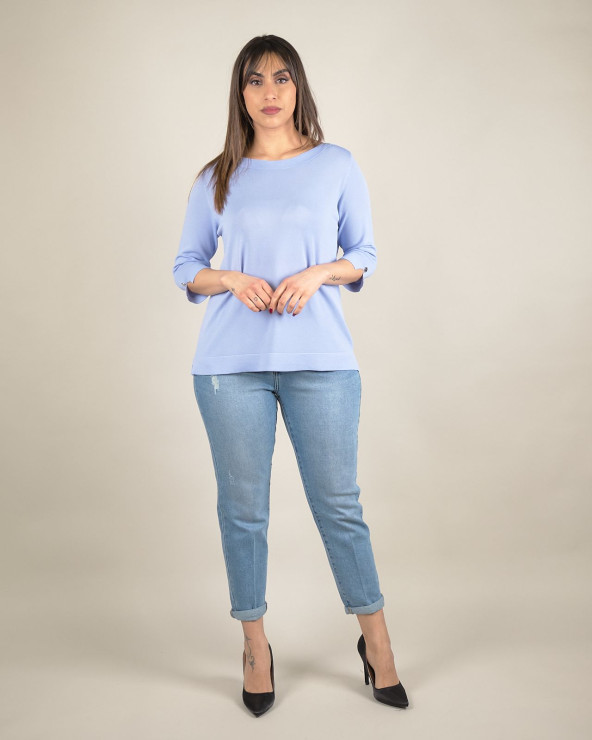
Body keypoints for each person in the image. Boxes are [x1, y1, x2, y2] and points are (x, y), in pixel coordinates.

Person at [172, 34, 409, 717]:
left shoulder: (335, 164)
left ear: (298, 86)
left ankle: (378, 643)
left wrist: (318, 273)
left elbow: (363, 253)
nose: (269, 91)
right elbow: (187, 267)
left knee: (339, 505)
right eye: (254, 80)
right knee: (243, 511)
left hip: (321, 362)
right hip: (231, 367)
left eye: (281, 77)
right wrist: (231, 279)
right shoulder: (217, 176)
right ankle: (255, 647)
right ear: (240, 94)